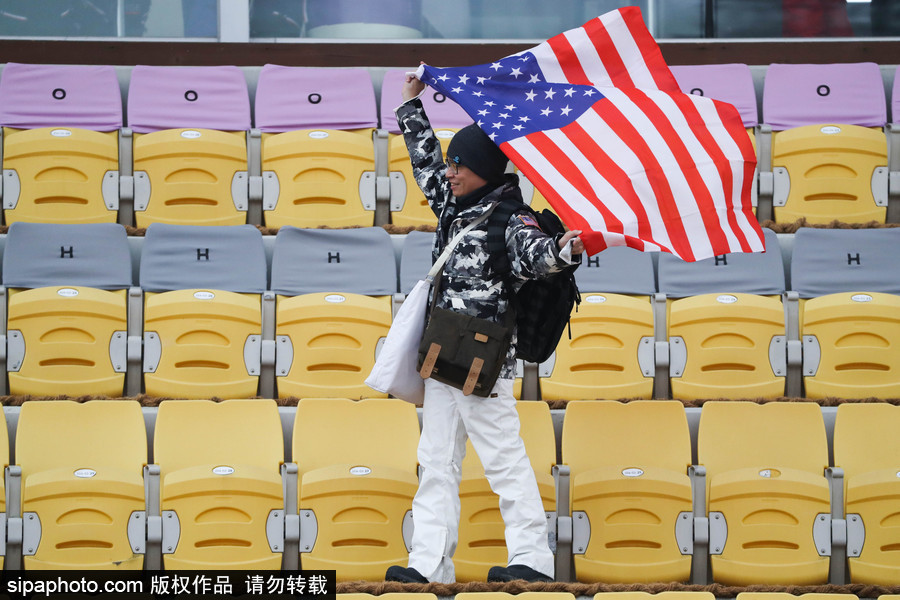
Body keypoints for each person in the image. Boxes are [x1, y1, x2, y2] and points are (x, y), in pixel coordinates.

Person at [384, 69, 584, 584]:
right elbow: (426, 161)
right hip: (442, 350)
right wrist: (412, 105)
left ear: (485, 171)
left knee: (503, 461)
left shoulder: (511, 220)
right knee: (435, 462)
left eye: (460, 165)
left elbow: (539, 257)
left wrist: (566, 250)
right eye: (452, 163)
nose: (449, 172)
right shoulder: (456, 206)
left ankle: (532, 561)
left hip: (482, 359)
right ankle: (428, 565)